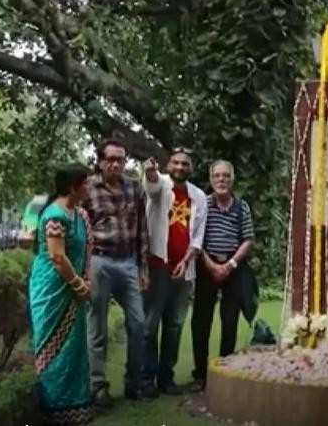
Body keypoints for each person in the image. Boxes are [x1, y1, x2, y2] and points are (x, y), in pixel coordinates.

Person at [82, 139, 153, 404]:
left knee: (138, 323)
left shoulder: (134, 187)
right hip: (99, 261)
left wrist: (143, 267)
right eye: (110, 159)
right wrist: (84, 269)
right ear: (100, 161)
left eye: (120, 160)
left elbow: (142, 230)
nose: (116, 164)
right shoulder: (88, 188)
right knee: (97, 325)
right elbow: (80, 229)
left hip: (128, 263)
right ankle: (97, 386)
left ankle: (134, 384)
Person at [28, 164, 94, 425]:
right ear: (73, 187)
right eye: (86, 183)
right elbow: (57, 256)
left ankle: (75, 405)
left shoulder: (80, 214)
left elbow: (86, 248)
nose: (89, 188)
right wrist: (79, 286)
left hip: (74, 285)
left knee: (74, 345)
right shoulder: (55, 215)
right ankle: (54, 408)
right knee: (53, 346)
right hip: (51, 288)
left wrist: (86, 279)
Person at [142, 148, 207, 395]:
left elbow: (198, 235)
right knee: (150, 325)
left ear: (191, 168)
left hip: (184, 271)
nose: (180, 167)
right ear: (168, 164)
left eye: (185, 164)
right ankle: (146, 379)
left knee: (175, 325)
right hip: (157, 266)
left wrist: (187, 259)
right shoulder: (161, 186)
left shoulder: (198, 196)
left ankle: (166, 378)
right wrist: (150, 173)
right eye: (176, 162)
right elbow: (152, 186)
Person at [191, 160, 255, 390]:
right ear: (210, 179)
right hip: (206, 264)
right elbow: (195, 238)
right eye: (217, 176)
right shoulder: (203, 205)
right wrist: (210, 265)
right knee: (201, 321)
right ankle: (200, 375)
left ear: (232, 179)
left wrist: (229, 265)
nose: (221, 180)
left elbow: (248, 240)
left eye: (225, 176)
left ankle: (224, 371)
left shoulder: (242, 206)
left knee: (230, 320)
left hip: (233, 267)